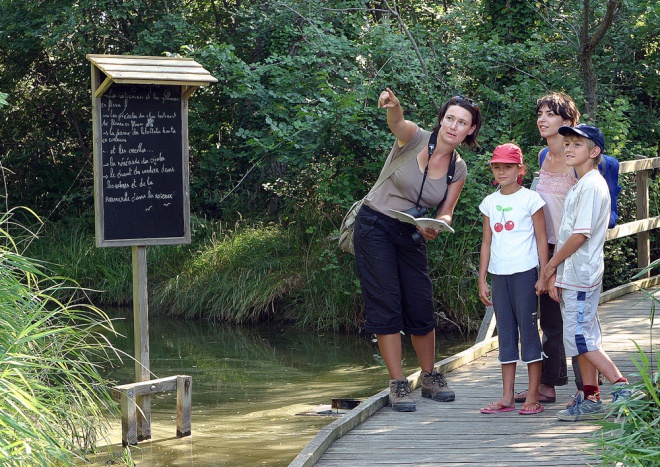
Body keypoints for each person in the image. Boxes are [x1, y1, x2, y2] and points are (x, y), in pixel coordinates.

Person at [353, 88, 482, 412]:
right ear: (441, 120)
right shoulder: (415, 138)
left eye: (461, 122)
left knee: (421, 303)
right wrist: (394, 105)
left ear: (470, 130)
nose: (454, 126)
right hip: (375, 227)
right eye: (450, 118)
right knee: (387, 303)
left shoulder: (458, 168)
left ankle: (429, 376)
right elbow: (397, 123)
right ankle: (398, 383)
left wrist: (436, 224)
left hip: (412, 234)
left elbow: (447, 210)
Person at [543, 124, 637, 421]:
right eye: (567, 143)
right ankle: (591, 396)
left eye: (577, 145)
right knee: (583, 337)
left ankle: (622, 387)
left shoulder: (592, 186)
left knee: (581, 339)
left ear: (594, 152)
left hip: (582, 274)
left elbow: (579, 235)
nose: (569, 148)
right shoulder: (582, 184)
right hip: (574, 274)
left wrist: (550, 265)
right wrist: (558, 272)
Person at [515, 92, 581, 406]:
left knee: (578, 318)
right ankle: (548, 386)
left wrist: (558, 262)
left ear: (567, 121)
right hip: (544, 246)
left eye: (550, 114)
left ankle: (587, 390)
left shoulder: (576, 160)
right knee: (550, 320)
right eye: (539, 113)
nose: (542, 119)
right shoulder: (543, 156)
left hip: (574, 248)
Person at [477, 143, 549, 415]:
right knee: (505, 334)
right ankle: (507, 396)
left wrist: (544, 274)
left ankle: (532, 396)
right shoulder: (489, 202)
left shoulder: (531, 199)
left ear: (521, 169)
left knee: (529, 332)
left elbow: (542, 238)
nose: (502, 171)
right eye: (497, 166)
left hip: (525, 274)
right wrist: (482, 278)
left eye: (508, 166)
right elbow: (486, 242)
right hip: (499, 275)